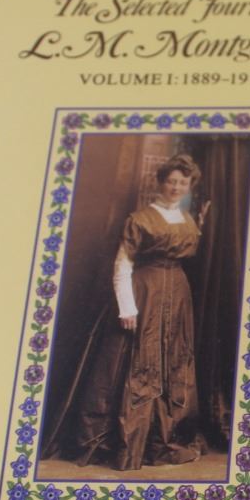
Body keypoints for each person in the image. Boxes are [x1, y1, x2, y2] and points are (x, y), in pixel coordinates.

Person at [66, 155, 206, 470]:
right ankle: (131, 442)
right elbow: (123, 264)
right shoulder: (140, 218)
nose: (176, 187)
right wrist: (127, 306)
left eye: (182, 183)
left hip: (178, 296)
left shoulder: (187, 219)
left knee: (173, 360)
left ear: (188, 186)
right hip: (147, 293)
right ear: (161, 183)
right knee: (139, 361)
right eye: (171, 181)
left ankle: (162, 437)